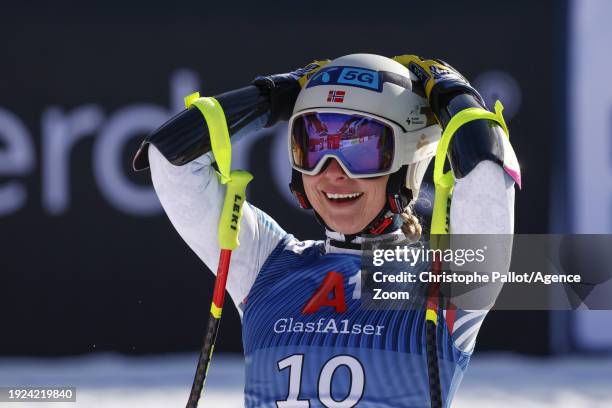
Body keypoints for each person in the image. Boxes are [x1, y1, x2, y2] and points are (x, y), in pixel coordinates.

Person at [141, 54, 520, 407]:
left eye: (361, 149)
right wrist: (276, 94)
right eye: (315, 145)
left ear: (409, 159)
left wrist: (457, 94)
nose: (333, 172)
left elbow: (487, 175)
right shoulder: (265, 266)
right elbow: (170, 158)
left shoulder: (442, 281)